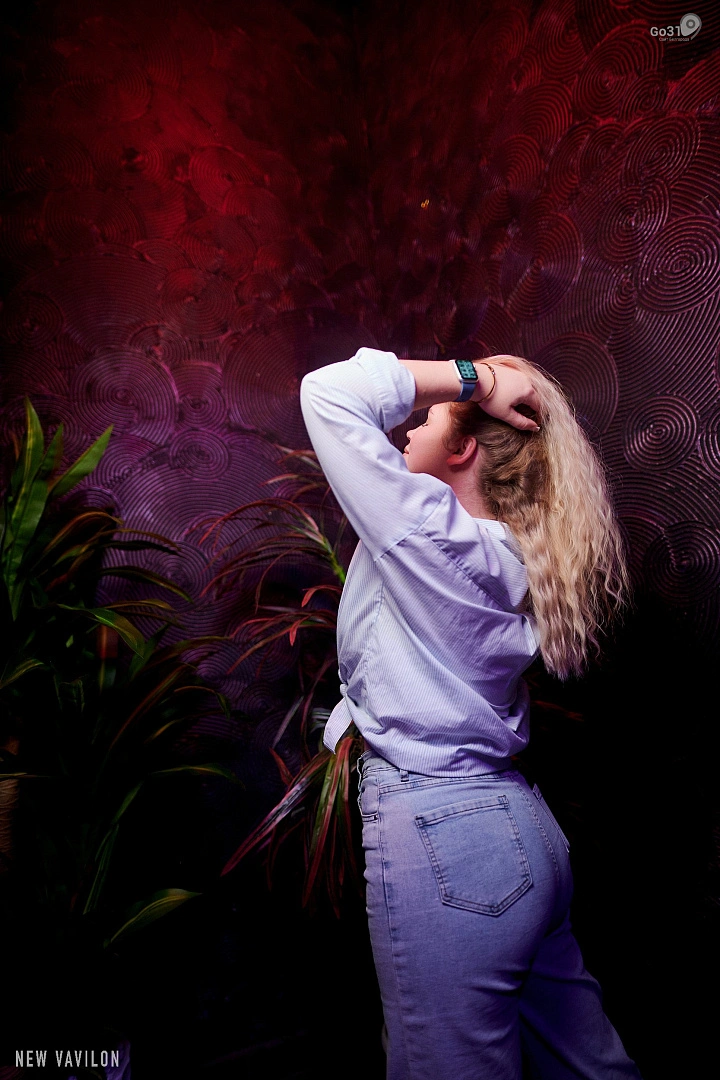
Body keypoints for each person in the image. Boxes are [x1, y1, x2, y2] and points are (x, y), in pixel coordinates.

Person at [300, 348, 641, 1080]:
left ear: (461, 451)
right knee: (592, 1070)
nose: (406, 427)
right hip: (520, 830)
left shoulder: (432, 536)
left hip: (447, 846)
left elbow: (328, 393)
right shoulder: (506, 557)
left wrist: (477, 380)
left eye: (426, 419)